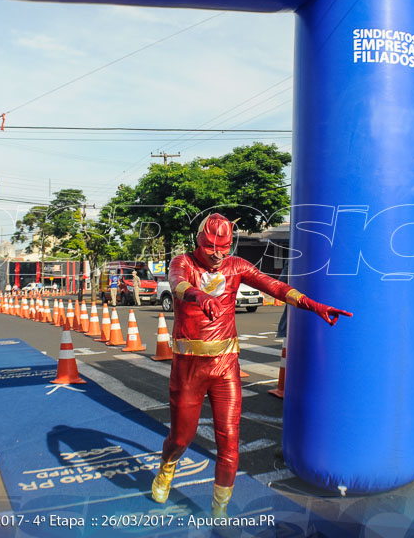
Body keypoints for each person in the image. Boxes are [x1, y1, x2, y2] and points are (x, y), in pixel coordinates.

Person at [151, 214, 352, 517]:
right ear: (199, 242)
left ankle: (219, 510)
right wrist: (197, 294)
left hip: (226, 366)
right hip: (188, 367)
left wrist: (314, 306)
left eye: (224, 248)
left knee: (230, 443)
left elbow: (275, 287)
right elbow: (177, 284)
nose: (218, 255)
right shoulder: (184, 262)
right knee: (181, 438)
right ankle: (167, 468)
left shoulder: (236, 266)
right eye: (211, 248)